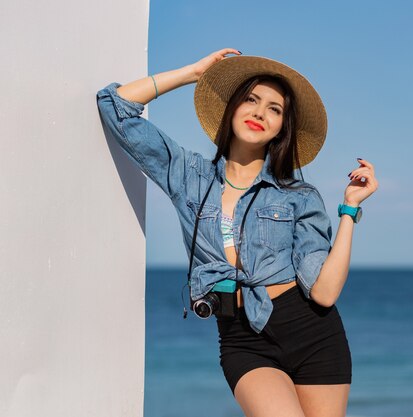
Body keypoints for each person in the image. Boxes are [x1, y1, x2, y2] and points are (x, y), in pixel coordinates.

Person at [96, 48, 378, 417]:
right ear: (232, 108)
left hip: (313, 335)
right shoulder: (189, 176)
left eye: (274, 109)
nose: (260, 112)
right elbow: (114, 105)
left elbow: (324, 293)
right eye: (251, 100)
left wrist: (349, 209)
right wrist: (193, 74)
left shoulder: (298, 196)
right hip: (243, 340)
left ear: (281, 127)